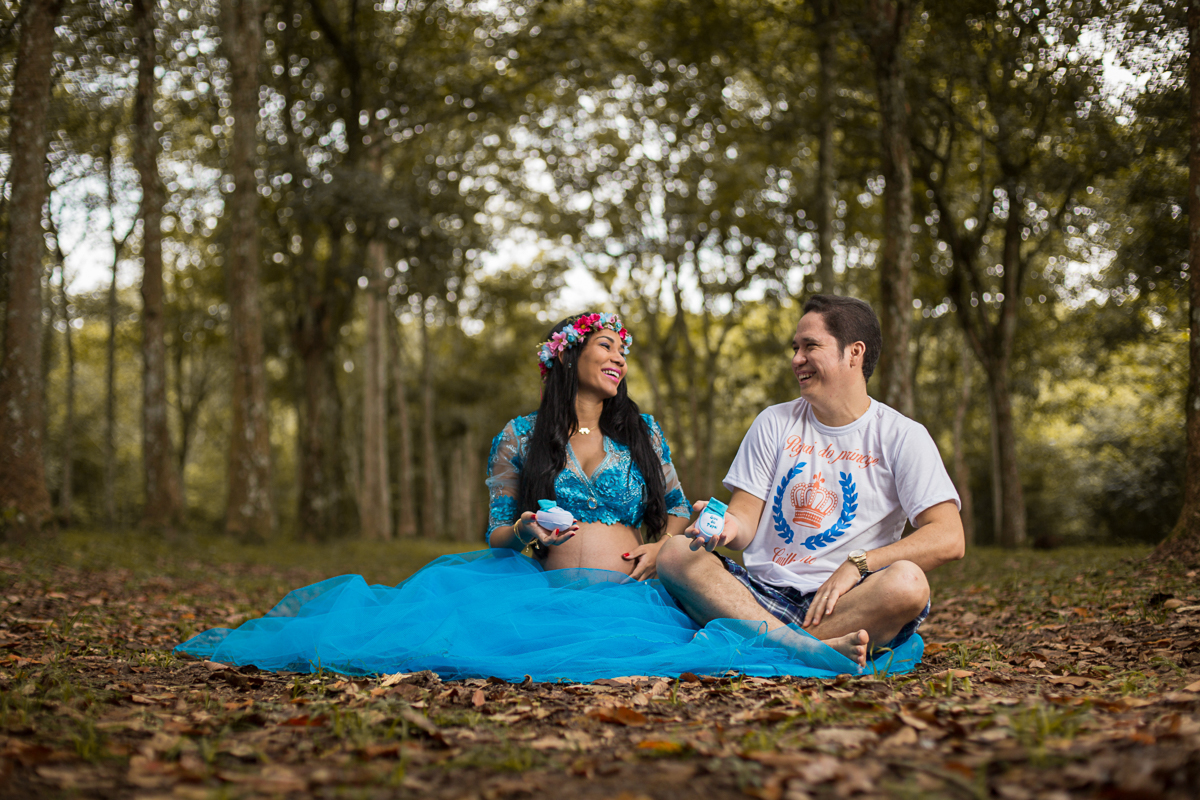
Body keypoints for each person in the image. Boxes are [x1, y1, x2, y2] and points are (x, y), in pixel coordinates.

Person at [176, 311, 901, 681]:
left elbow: (680, 510)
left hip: (630, 591)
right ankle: (814, 652)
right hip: (541, 591)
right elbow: (495, 530)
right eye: (606, 347)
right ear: (570, 358)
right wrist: (524, 530)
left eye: (625, 351)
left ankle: (807, 653)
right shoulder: (521, 436)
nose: (620, 358)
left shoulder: (642, 433)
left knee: (704, 637)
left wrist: (657, 544)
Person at [656, 295, 965, 668]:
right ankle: (805, 650)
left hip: (843, 603)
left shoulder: (902, 436)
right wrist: (724, 526)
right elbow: (745, 522)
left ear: (854, 353)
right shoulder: (774, 422)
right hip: (759, 596)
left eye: (811, 346)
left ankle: (769, 644)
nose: (797, 359)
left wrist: (859, 564)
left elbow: (949, 537)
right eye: (795, 347)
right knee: (676, 553)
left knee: (908, 583)